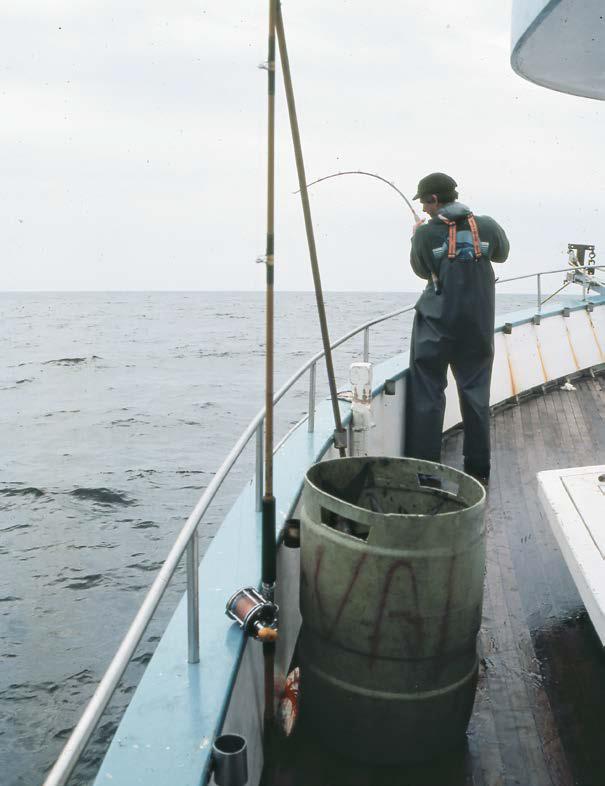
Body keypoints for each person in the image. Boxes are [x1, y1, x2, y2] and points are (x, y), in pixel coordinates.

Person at [405, 172, 509, 484]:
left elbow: (421, 269)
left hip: (435, 328)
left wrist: (415, 236)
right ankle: (478, 471)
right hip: (475, 327)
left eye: (424, 201)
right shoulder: (487, 225)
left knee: (427, 395)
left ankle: (426, 475)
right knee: (476, 395)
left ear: (435, 199)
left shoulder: (425, 233)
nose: (423, 207)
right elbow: (502, 254)